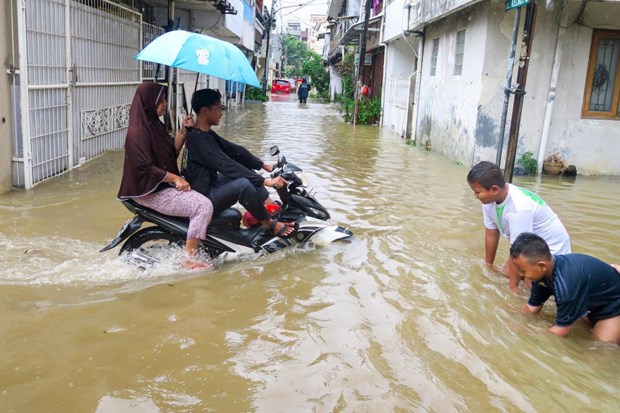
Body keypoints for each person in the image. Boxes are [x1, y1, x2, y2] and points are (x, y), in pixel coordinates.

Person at [117, 82, 214, 270]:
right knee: (203, 206)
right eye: (160, 100)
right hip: (149, 192)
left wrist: (184, 131)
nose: (164, 104)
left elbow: (170, 150)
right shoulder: (138, 133)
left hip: (160, 186)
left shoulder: (154, 125)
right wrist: (176, 178)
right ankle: (190, 259)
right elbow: (145, 168)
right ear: (149, 102)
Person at [183, 88, 295, 238]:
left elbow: (234, 150)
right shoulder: (198, 140)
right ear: (205, 111)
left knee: (246, 173)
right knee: (243, 184)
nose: (221, 113)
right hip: (203, 197)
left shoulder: (204, 134)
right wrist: (265, 181)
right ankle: (269, 224)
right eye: (218, 109)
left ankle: (272, 208)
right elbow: (228, 165)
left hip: (209, 185)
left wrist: (262, 165)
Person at [467, 161, 571, 292]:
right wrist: (488, 266)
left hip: (553, 251)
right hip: (530, 245)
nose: (475, 196)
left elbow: (522, 250)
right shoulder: (488, 201)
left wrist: (513, 289)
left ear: (494, 189)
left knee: (529, 286)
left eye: (477, 192)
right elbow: (491, 233)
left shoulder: (518, 208)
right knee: (505, 272)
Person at [510, 232, 620, 343]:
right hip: (592, 305)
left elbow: (561, 331)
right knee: (578, 328)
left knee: (600, 349)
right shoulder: (542, 274)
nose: (520, 274)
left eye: (523, 271)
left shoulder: (566, 285)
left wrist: (528, 333)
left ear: (542, 266)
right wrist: (510, 319)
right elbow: (532, 307)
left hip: (614, 306)